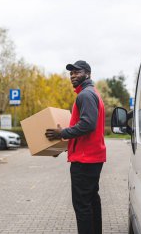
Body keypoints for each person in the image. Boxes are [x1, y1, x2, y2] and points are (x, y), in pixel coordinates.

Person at [45, 60, 106, 234]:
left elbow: (87, 125)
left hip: (85, 160)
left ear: (88, 74)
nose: (72, 75)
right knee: (92, 201)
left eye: (77, 72)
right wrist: (62, 146)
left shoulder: (85, 95)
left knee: (82, 206)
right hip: (92, 157)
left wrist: (62, 133)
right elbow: (86, 131)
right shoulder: (91, 93)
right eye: (71, 73)